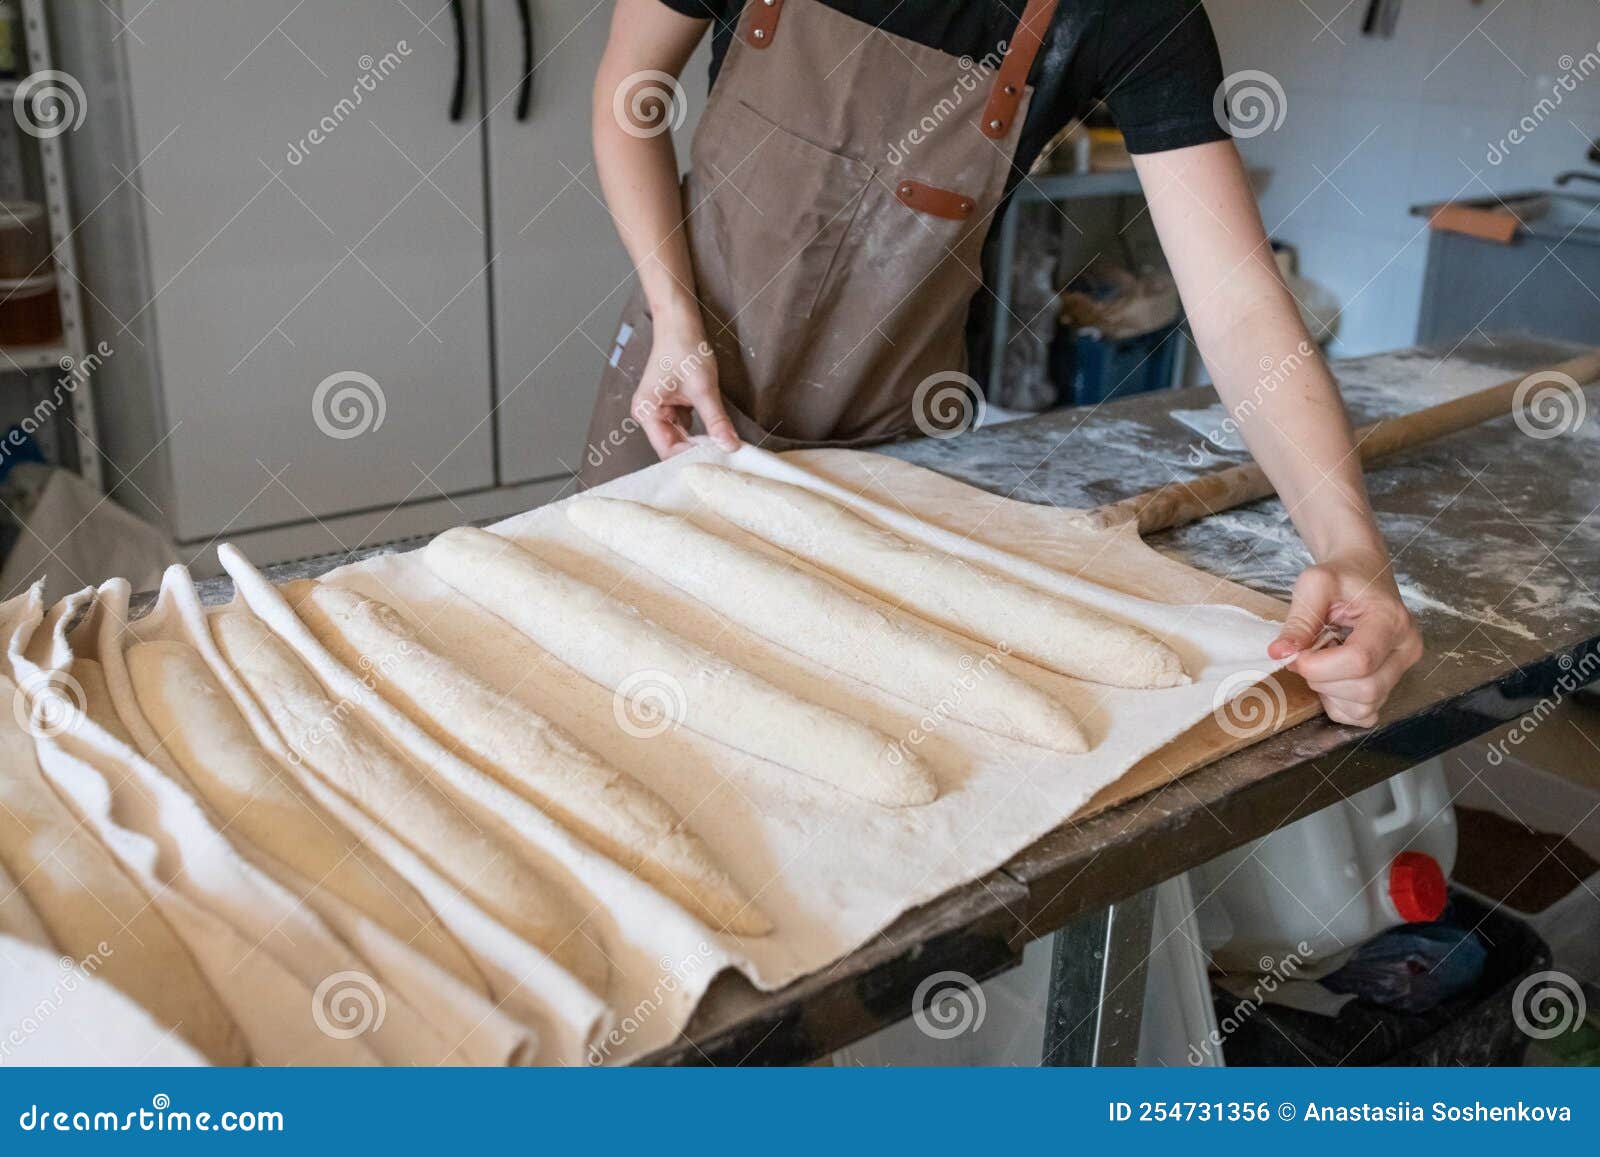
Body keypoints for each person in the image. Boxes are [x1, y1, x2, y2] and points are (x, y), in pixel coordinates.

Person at [584, 0, 1422, 726]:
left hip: (886, 448)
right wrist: (671, 307)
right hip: (680, 387)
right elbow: (631, 91)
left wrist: (1352, 551)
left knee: (841, 704)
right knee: (616, 678)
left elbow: (1238, 304)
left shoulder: (1124, 13)